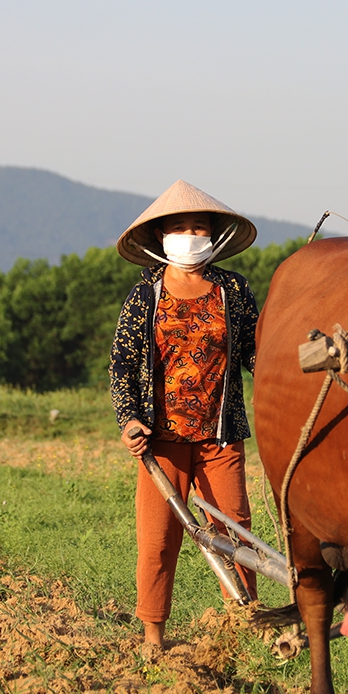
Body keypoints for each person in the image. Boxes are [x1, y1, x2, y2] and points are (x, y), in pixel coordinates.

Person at [110, 180, 260, 648]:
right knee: (158, 541)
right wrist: (129, 420)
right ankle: (153, 634)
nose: (190, 235)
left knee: (234, 532)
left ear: (213, 236)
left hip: (220, 436)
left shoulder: (232, 291)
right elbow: (121, 365)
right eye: (180, 227)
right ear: (161, 238)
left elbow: (258, 354)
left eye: (198, 227)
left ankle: (246, 625)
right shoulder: (145, 298)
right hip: (162, 442)